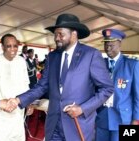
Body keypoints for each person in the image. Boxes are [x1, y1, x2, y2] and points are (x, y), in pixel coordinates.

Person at [9, 13, 114, 141]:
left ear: (74, 34)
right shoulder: (53, 57)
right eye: (55, 34)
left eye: (61, 34)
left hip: (77, 124)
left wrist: (82, 109)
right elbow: (41, 86)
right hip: (54, 126)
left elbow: (107, 88)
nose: (56, 38)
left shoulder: (90, 55)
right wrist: (18, 100)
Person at [95, 29, 139, 141]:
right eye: (106, 44)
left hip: (124, 119)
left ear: (119, 43)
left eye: (111, 45)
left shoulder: (132, 65)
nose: (108, 48)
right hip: (102, 117)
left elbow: (138, 96)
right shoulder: (99, 64)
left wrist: (136, 120)